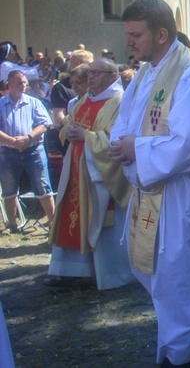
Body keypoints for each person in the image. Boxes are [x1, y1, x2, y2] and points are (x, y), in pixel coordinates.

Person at [110, 0, 190, 367]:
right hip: (153, 185)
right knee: (158, 268)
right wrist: (123, 144)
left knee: (177, 272)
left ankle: (177, 354)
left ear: (161, 34)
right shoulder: (147, 71)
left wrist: (136, 149)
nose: (129, 42)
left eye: (135, 34)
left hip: (183, 190)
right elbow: (126, 118)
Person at [45, 58, 133, 290]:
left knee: (100, 221)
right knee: (70, 216)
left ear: (112, 76)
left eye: (97, 73)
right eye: (90, 73)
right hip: (75, 170)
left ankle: (106, 272)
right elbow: (69, 122)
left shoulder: (119, 103)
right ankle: (71, 270)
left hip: (99, 176)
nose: (90, 77)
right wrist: (69, 130)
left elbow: (118, 139)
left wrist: (87, 137)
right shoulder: (86, 99)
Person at [0, 70, 55, 232]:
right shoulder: (1, 104)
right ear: (9, 84)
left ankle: (53, 223)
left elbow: (44, 124)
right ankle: (12, 224)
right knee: (9, 190)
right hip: (8, 152)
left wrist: (28, 138)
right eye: (19, 83)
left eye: (25, 82)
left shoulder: (34, 102)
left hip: (33, 150)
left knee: (43, 187)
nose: (23, 86)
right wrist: (13, 141)